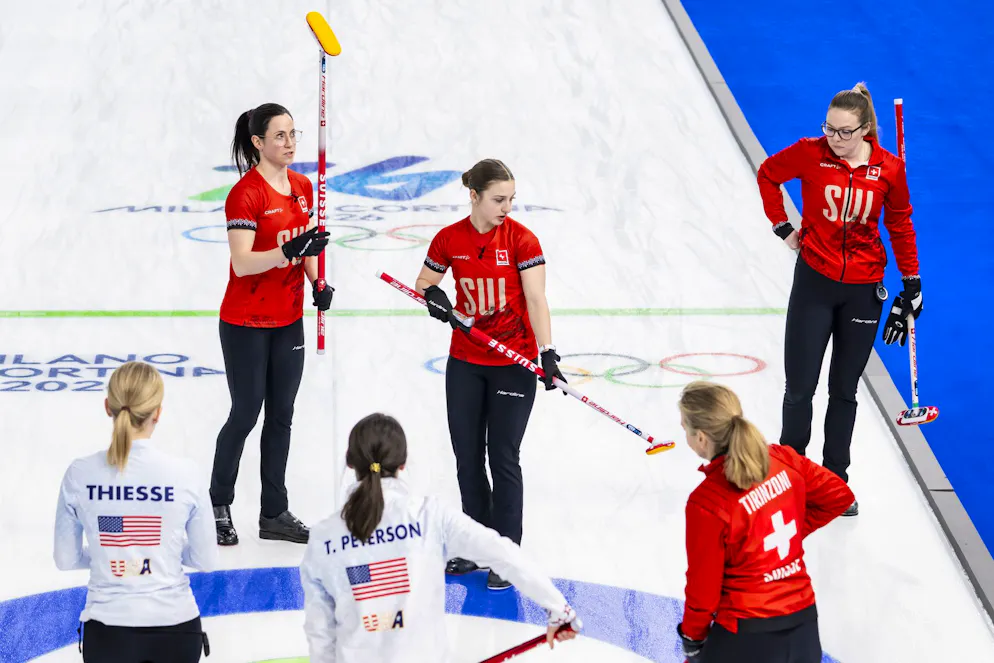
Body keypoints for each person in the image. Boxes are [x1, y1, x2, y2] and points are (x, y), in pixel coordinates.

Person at [756, 82, 922, 515]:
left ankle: (833, 482)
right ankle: (790, 477)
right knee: (800, 388)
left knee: (844, 391)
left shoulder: (889, 168)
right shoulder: (810, 152)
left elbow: (901, 224)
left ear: (865, 129)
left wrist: (912, 282)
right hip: (814, 283)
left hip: (865, 291)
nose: (835, 138)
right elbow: (768, 174)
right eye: (829, 128)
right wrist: (783, 228)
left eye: (845, 132)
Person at [299, 413, 580, 663]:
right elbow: (503, 553)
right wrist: (559, 609)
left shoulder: (323, 537)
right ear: (403, 464)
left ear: (350, 463)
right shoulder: (430, 516)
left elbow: (320, 634)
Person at [412, 158, 566, 590]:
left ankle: (506, 552)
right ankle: (476, 544)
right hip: (466, 361)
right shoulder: (450, 239)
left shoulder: (521, 239)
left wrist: (548, 352)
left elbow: (536, 299)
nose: (507, 207)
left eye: (511, 199)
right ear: (474, 196)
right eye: (499, 199)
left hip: (513, 364)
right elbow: (424, 282)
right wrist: (436, 298)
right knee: (467, 458)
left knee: (503, 457)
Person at [210, 102, 333, 546]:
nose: (290, 143)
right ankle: (220, 503)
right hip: (245, 321)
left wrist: (317, 281)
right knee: (245, 413)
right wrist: (290, 250)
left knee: (281, 416)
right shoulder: (246, 194)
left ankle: (273, 512)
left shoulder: (301, 187)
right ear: (258, 143)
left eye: (293, 134)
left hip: (287, 321)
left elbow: (307, 247)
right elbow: (242, 264)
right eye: (279, 136)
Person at [675, 381, 854, 663]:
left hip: (745, 635)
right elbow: (838, 495)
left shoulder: (707, 502)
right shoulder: (782, 458)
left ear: (701, 438)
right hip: (803, 626)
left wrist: (692, 638)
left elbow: (703, 590)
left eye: (684, 426)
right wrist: (784, 537)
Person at [53, 361, 218, 663]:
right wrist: (158, 553)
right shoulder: (185, 474)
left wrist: (114, 557)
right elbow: (206, 560)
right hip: (177, 631)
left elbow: (65, 559)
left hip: (108, 634)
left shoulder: (80, 473)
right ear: (157, 412)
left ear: (108, 407)